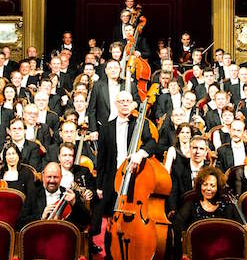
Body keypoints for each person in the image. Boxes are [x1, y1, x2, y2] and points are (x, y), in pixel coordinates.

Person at [96, 91, 156, 254]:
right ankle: (111, 253)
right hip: (110, 179)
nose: (124, 103)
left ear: (132, 104)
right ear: (116, 104)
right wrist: (99, 185)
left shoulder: (140, 123)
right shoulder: (106, 127)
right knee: (111, 220)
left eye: (128, 101)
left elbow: (152, 143)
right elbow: (101, 158)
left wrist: (140, 154)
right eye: (121, 101)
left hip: (132, 178)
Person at [173, 166, 247, 259]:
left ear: (218, 187)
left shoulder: (228, 206)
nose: (208, 188)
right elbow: (177, 225)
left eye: (212, 185)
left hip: (224, 255)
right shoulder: (191, 205)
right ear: (200, 186)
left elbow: (242, 227)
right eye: (205, 184)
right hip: (199, 254)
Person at [0, 142, 36, 229]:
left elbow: (31, 197)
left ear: (18, 155)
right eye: (8, 154)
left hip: (20, 215)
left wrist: (21, 216)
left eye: (14, 153)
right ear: (5, 157)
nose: (11, 157)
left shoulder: (26, 173)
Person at [31, 161, 91, 230]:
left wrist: (74, 204)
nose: (52, 180)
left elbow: (86, 222)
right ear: (43, 177)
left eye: (56, 177)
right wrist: (41, 217)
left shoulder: (69, 194)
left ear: (61, 177)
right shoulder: (33, 193)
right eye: (49, 177)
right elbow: (22, 221)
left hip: (64, 235)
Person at [168, 135, 210, 217]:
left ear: (206, 152)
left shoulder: (210, 170)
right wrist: (173, 211)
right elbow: (173, 192)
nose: (197, 152)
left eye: (201, 149)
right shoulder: (178, 168)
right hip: (182, 211)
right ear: (189, 149)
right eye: (194, 148)